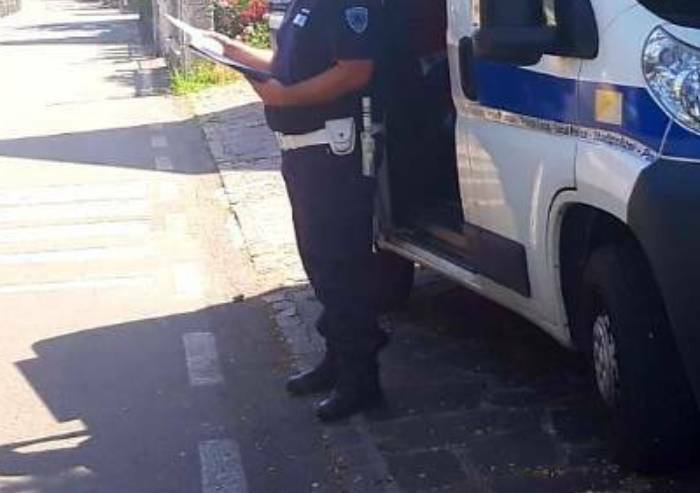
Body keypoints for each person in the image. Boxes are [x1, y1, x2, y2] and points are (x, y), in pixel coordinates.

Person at [207, 0, 387, 421]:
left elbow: (354, 71)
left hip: (333, 149)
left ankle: (361, 378)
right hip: (303, 151)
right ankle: (338, 358)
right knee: (319, 264)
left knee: (341, 265)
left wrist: (284, 98)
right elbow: (289, 63)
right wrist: (232, 49)